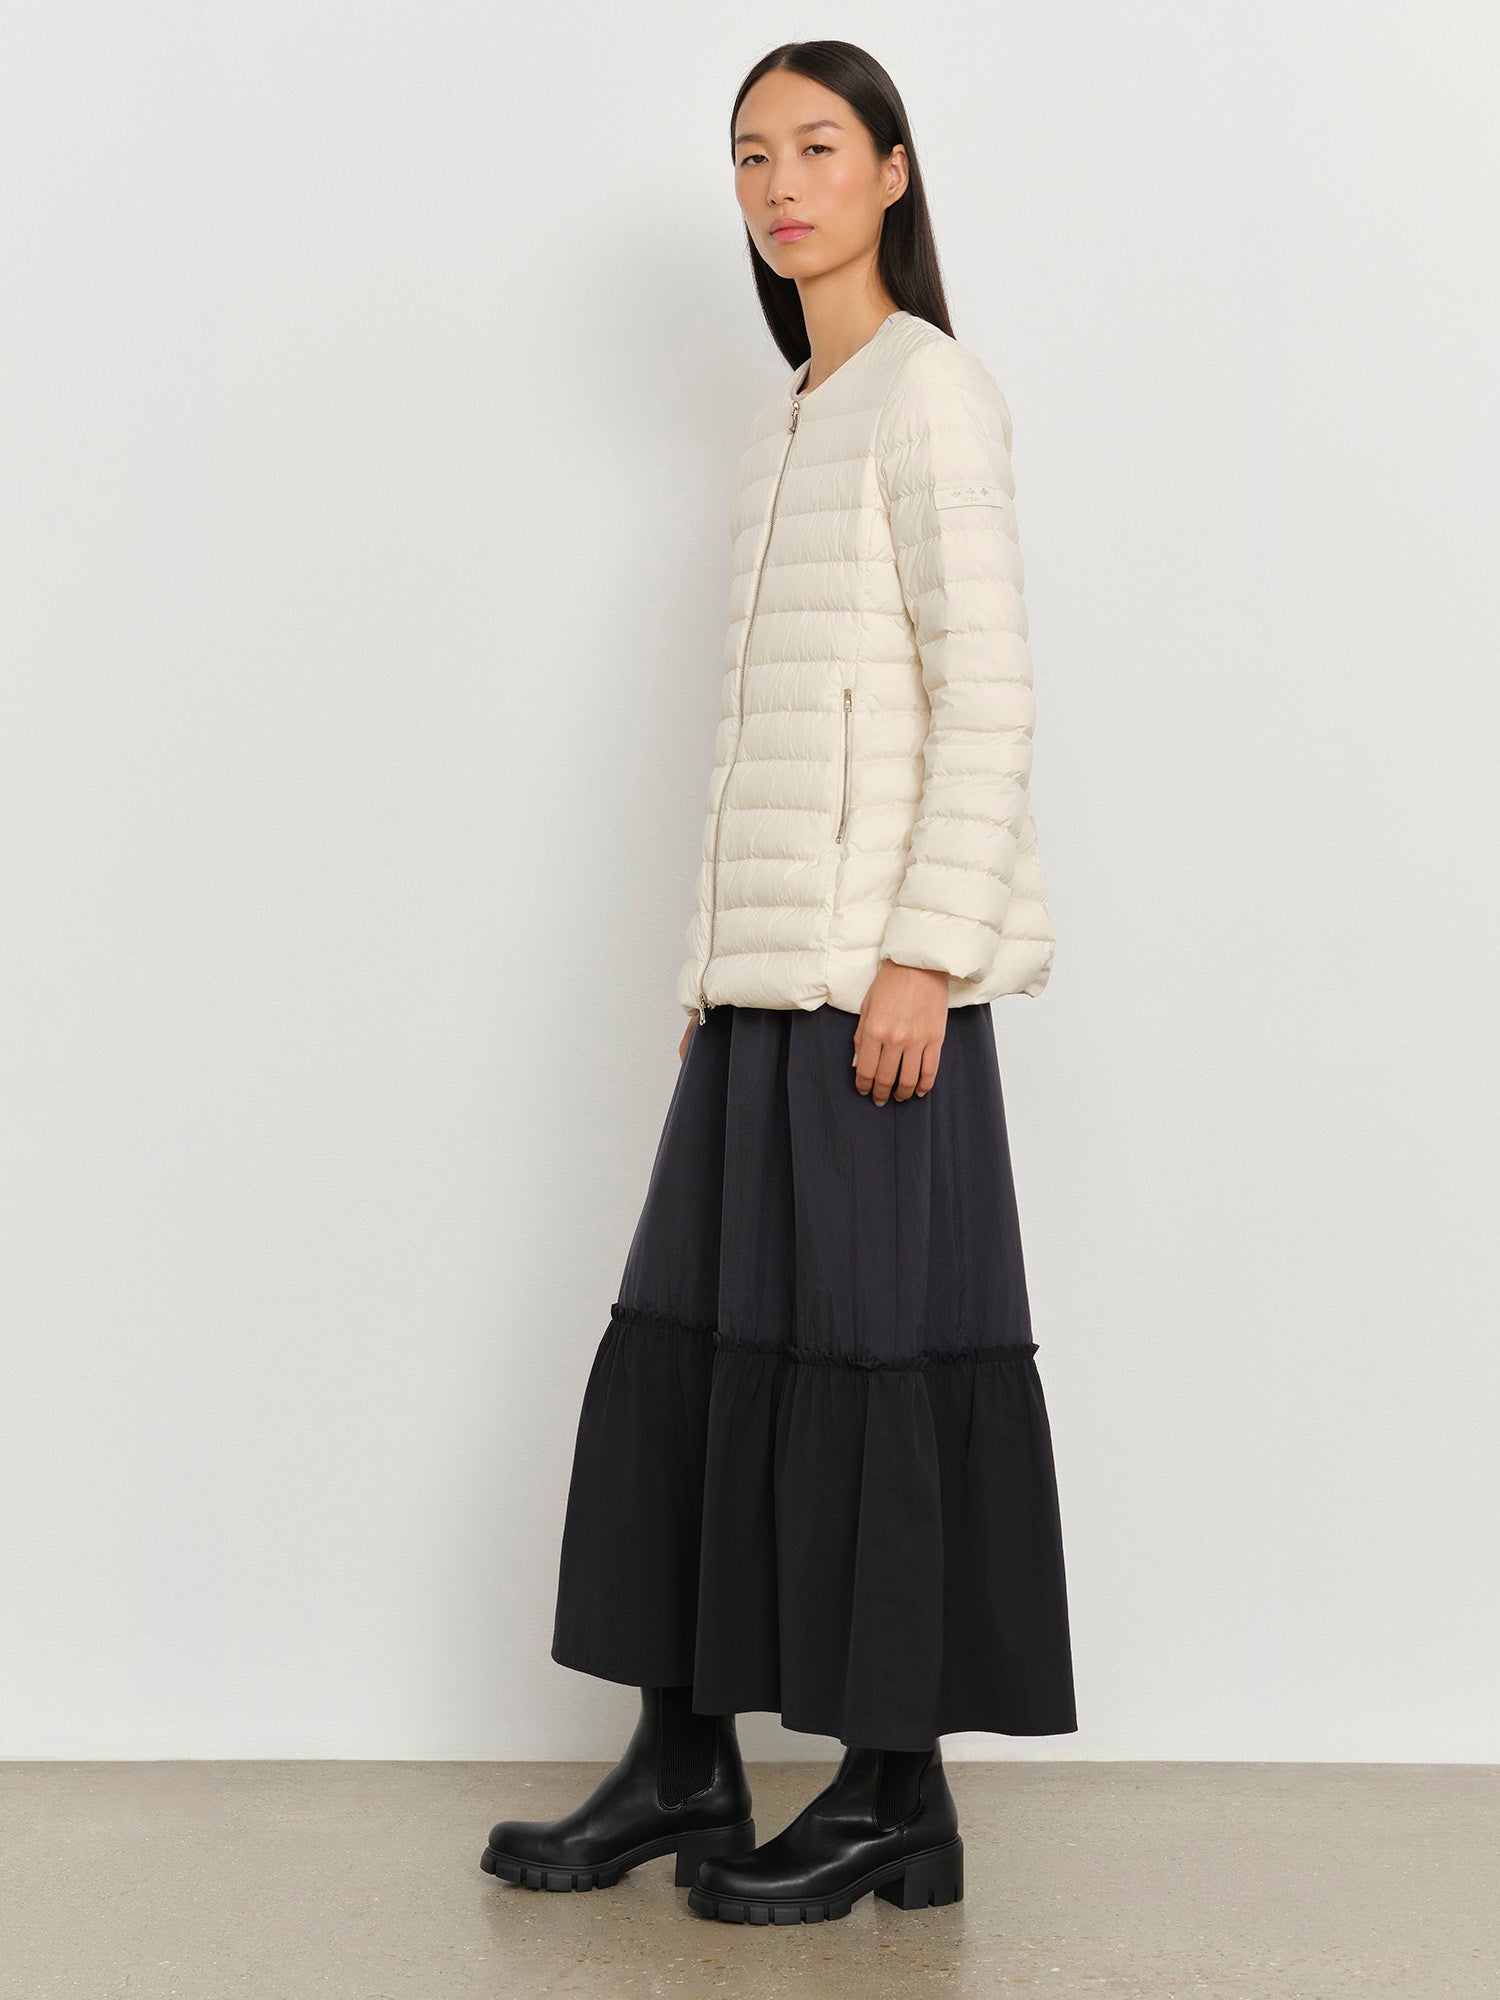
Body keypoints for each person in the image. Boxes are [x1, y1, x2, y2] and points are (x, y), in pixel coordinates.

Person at [482, 38, 1077, 1926]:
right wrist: (707, 978)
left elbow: (988, 698)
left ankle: (897, 1791)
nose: (780, 185)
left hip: (876, 995)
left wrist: (925, 954)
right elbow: (761, 740)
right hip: (760, 995)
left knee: (875, 1371)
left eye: (818, 147)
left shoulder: (931, 393)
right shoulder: (792, 416)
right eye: (751, 156)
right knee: (698, 1354)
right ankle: (683, 1759)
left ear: (893, 172)